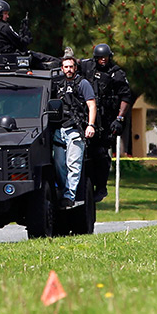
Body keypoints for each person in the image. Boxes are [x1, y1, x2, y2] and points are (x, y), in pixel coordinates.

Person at [80, 43, 133, 202]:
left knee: (101, 154)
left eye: (106, 57)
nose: (103, 60)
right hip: (87, 117)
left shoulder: (116, 74)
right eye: (100, 58)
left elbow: (126, 97)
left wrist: (119, 118)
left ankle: (101, 187)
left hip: (106, 120)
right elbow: (69, 64)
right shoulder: (86, 66)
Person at [52, 56, 97, 209]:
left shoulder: (83, 83)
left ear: (75, 68)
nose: (69, 69)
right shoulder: (57, 84)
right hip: (59, 129)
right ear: (62, 68)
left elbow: (91, 105)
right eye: (66, 67)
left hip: (75, 129)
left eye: (71, 66)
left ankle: (69, 196)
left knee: (73, 164)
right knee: (59, 164)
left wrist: (90, 125)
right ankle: (63, 192)